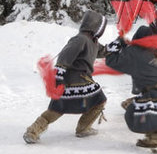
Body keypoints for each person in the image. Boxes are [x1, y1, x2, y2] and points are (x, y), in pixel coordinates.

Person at [23, 10, 108, 144]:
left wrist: (118, 47)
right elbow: (64, 56)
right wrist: (59, 74)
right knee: (58, 108)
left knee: (97, 100)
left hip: (84, 81)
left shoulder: (93, 42)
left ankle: (82, 128)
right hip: (72, 81)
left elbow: (103, 51)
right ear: (95, 26)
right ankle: (32, 132)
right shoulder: (80, 39)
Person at [105, 26, 157, 154]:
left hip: (154, 97)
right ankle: (151, 140)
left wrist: (119, 41)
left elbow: (111, 60)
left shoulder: (134, 51)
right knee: (149, 115)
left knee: (132, 115)